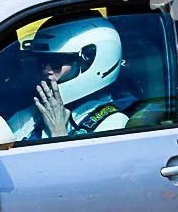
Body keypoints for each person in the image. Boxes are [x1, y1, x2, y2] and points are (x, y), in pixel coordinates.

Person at [7, 13, 129, 141]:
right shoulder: (27, 117)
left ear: (90, 61)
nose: (45, 70)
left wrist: (58, 133)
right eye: (42, 61)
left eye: (56, 62)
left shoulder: (114, 124)